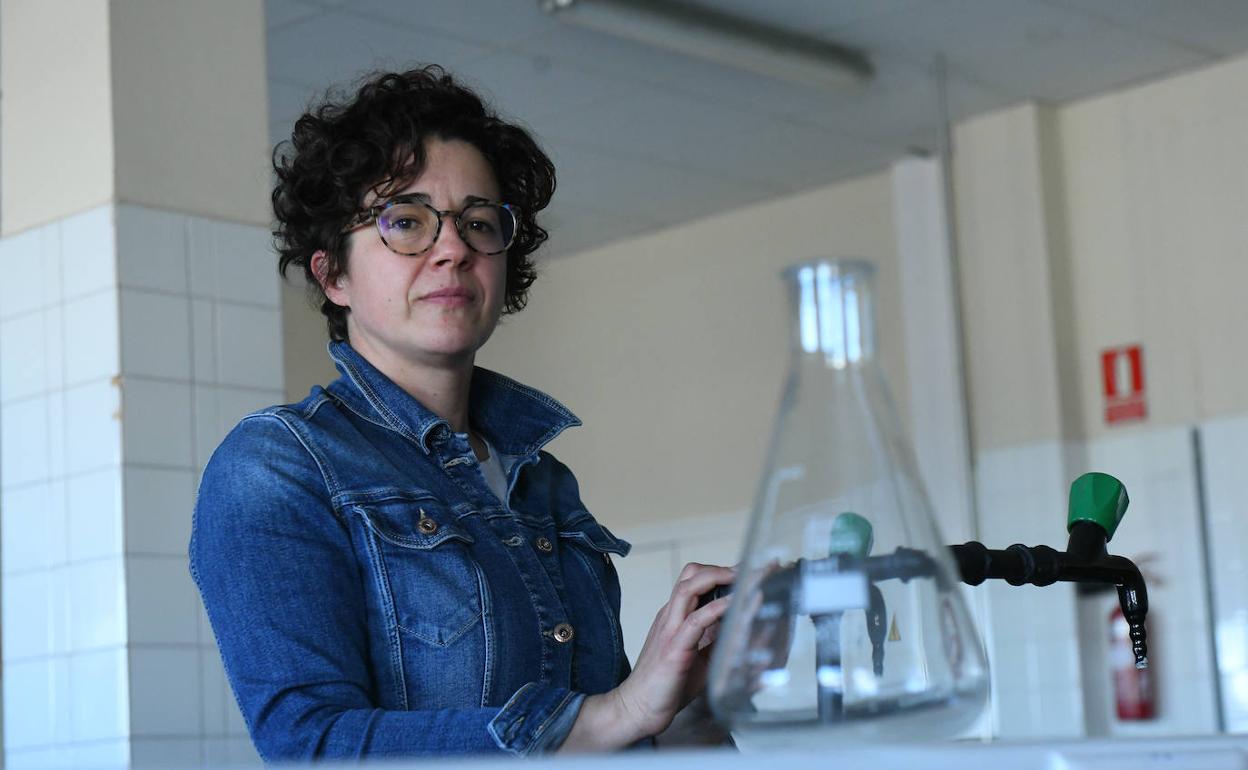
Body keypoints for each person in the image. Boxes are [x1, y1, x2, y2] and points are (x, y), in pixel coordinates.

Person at [189, 65, 734, 760]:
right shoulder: (277, 464)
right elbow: (311, 747)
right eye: (406, 222)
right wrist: (609, 716)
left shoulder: (542, 480)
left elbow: (611, 743)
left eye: (479, 223)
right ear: (334, 275)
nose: (453, 249)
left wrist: (694, 705)